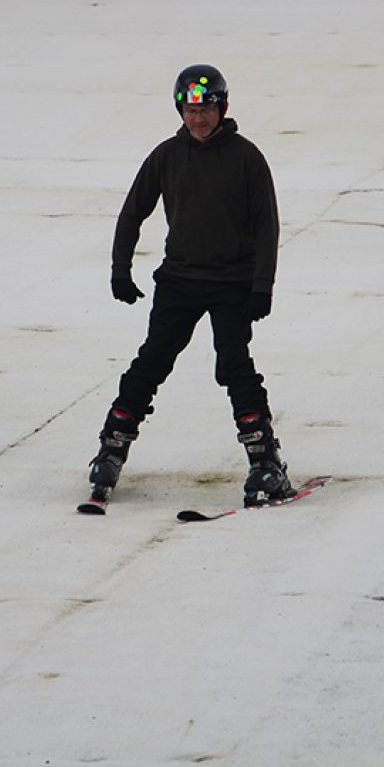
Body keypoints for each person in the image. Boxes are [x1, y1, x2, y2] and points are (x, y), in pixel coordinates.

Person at [85, 63, 294, 509]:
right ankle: (111, 449)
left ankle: (265, 461)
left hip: (232, 283)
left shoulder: (246, 157)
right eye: (190, 108)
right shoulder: (166, 155)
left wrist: (263, 285)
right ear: (179, 109)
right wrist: (120, 269)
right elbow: (132, 212)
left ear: (223, 107)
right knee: (152, 362)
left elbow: (266, 226)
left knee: (234, 365)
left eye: (206, 107)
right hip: (179, 280)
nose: (198, 117)